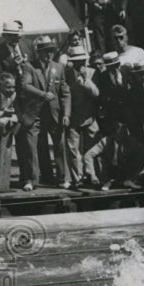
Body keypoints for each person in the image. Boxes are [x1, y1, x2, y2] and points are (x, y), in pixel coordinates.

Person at [16, 36, 70, 190]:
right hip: (35, 114)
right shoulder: (29, 67)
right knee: (31, 148)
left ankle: (62, 178)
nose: (49, 55)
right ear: (39, 53)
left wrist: (66, 114)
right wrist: (42, 94)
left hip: (54, 114)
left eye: (51, 52)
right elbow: (24, 86)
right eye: (46, 52)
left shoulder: (59, 68)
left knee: (59, 146)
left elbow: (65, 93)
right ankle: (30, 180)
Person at [62, 45, 100, 187]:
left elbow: (96, 93)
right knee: (73, 150)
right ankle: (77, 178)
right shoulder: (66, 73)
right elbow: (65, 95)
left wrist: (86, 81)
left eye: (82, 61)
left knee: (93, 147)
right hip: (74, 117)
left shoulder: (93, 73)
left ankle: (92, 174)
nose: (80, 65)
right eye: (77, 62)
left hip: (90, 117)